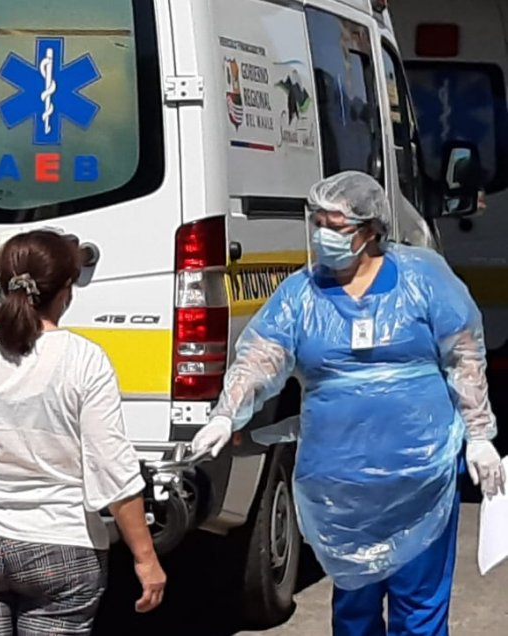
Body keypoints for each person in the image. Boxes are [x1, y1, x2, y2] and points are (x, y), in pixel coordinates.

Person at [191, 171, 506, 636]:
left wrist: (480, 436)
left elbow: (464, 355)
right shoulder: (303, 293)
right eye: (317, 221)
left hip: (418, 477)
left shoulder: (422, 279)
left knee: (419, 610)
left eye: (335, 225)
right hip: (341, 485)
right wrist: (225, 414)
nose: (323, 235)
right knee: (354, 612)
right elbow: (261, 355)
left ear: (371, 230)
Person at [0, 230, 167, 636]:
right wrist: (146, 558)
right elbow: (113, 473)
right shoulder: (86, 361)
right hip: (63, 548)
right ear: (67, 291)